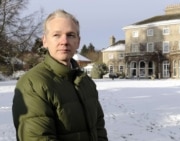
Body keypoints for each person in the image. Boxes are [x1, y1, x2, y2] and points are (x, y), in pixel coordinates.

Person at [12, 9, 108, 141]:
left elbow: (99, 129)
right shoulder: (33, 84)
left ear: (78, 41)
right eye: (56, 35)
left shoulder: (86, 82)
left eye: (70, 35)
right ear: (45, 41)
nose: (64, 41)